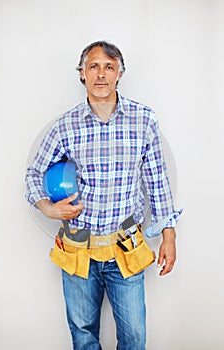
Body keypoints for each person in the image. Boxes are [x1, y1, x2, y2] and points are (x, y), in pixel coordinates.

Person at [25, 41, 182, 350]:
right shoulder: (64, 127)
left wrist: (169, 235)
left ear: (119, 74)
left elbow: (157, 180)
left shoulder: (143, 120)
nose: (101, 74)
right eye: (93, 66)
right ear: (82, 74)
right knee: (83, 335)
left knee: (134, 337)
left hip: (126, 244)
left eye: (109, 67)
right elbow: (33, 174)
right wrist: (47, 208)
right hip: (77, 246)